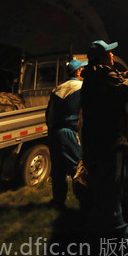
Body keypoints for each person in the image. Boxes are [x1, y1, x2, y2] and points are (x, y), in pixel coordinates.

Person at [80, 39, 128, 240]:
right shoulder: (107, 75)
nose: (112, 55)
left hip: (93, 140)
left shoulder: (90, 75)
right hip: (111, 140)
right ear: (101, 57)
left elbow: (108, 86)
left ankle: (97, 226)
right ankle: (120, 234)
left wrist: (123, 75)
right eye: (108, 53)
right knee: (113, 186)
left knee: (99, 186)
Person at [45, 58, 86, 209]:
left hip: (53, 132)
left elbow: (48, 113)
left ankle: (58, 201)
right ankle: (85, 201)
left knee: (58, 170)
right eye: (82, 69)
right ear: (78, 71)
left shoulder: (57, 88)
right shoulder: (81, 86)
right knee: (77, 168)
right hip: (68, 132)